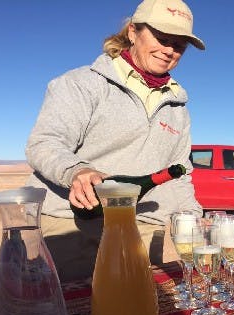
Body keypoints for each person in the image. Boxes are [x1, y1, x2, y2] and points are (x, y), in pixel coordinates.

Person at [24, 0, 204, 282]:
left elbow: (180, 173)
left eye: (179, 44)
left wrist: (194, 219)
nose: (169, 50)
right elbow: (45, 143)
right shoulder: (82, 83)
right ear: (133, 32)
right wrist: (77, 171)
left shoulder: (178, 106)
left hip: (144, 226)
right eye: (162, 38)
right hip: (72, 225)